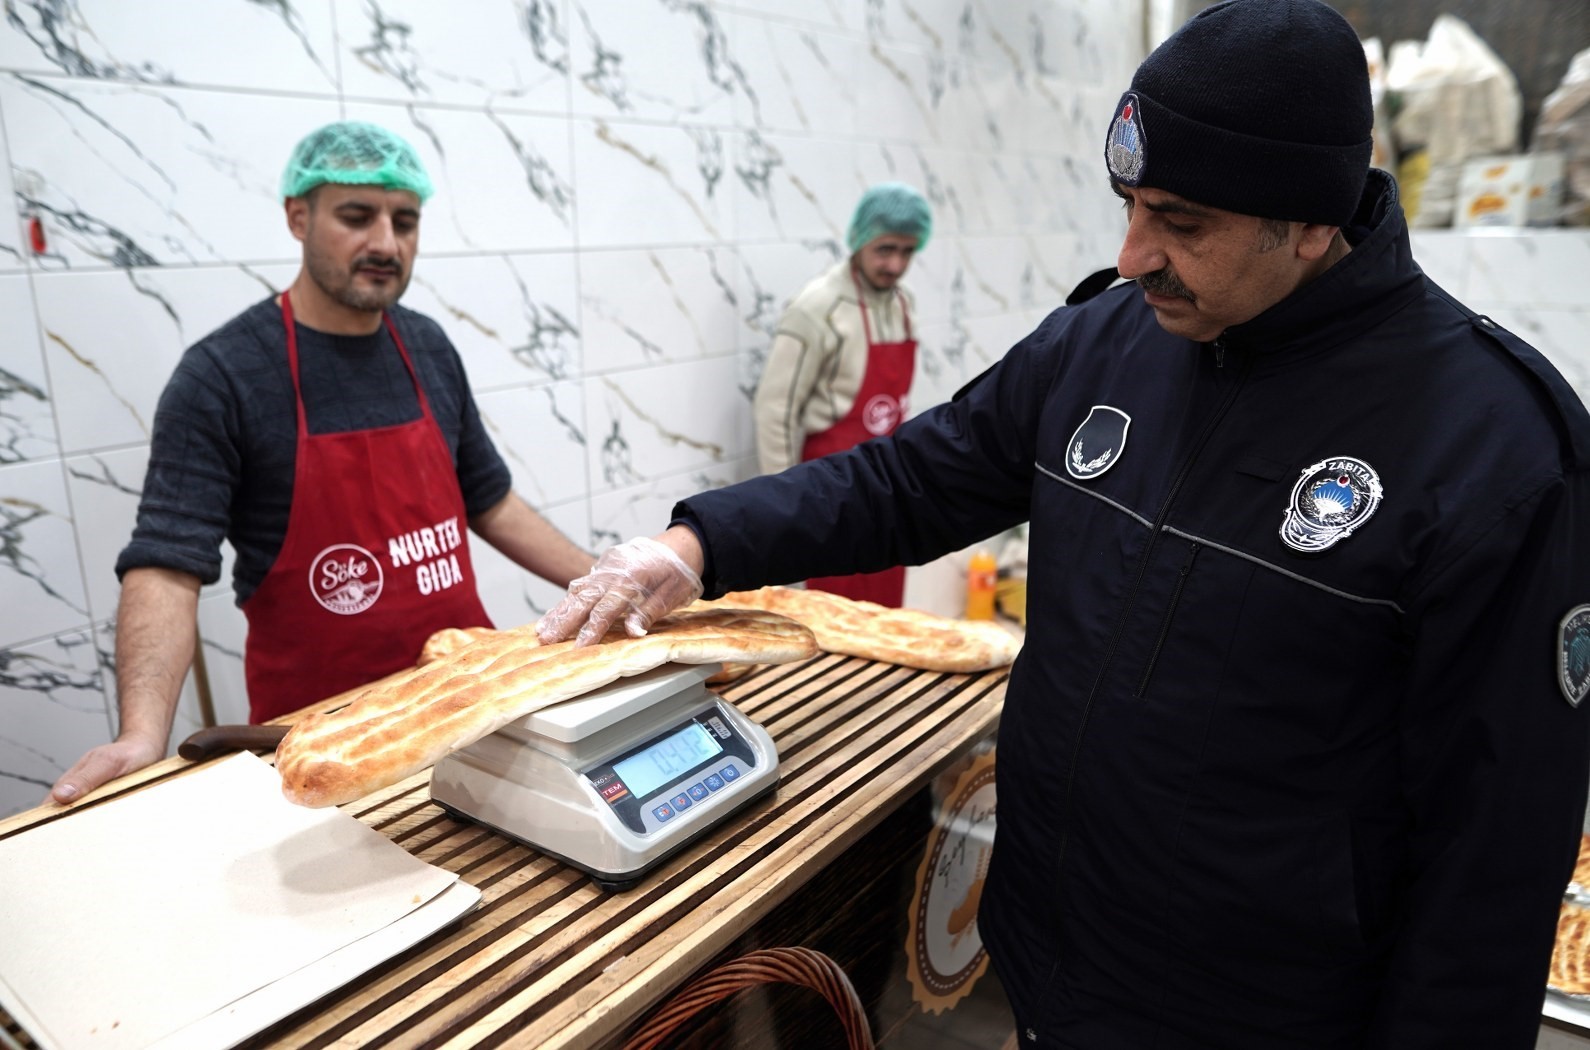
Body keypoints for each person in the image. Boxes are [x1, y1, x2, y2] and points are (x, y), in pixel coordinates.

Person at [535, 2, 1590, 1046]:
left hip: (1264, 1015)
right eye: (1130, 205)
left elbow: (1494, 857)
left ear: (1312, 221)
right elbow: (914, 478)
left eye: (1181, 222)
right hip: (1052, 964)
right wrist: (697, 545)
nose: (1133, 255)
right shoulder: (1104, 344)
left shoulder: (1492, 447)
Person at [50, 121, 592, 805]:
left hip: (471, 702)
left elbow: (491, 501)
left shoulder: (426, 345)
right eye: (357, 217)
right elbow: (166, 564)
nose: (385, 244)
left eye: (405, 221)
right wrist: (140, 734)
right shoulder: (223, 375)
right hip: (323, 740)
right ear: (298, 217)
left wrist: (615, 584)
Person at [752, 182, 932, 606]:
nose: (895, 264)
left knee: (886, 618)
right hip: (828, 485)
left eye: (907, 252)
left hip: (889, 484)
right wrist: (783, 501)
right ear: (860, 239)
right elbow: (775, 409)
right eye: (885, 249)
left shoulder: (903, 303)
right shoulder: (817, 307)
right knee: (834, 615)